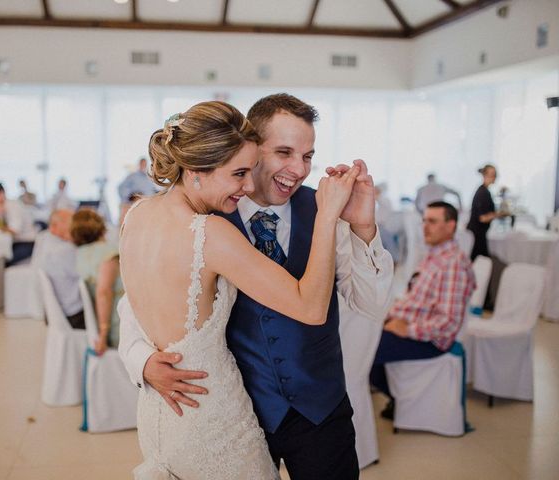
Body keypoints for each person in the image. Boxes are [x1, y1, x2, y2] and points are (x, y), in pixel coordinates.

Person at [119, 95, 394, 479]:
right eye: (284, 152)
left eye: (308, 156)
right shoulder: (205, 214)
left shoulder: (329, 208)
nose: (299, 170)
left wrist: (364, 228)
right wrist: (142, 361)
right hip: (238, 409)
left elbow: (371, 302)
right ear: (249, 148)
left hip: (319, 410)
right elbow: (137, 305)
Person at [370, 201, 476, 419]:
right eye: (424, 221)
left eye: (433, 221)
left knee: (364, 350)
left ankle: (402, 400)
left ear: (450, 225)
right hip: (412, 327)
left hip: (430, 341)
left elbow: (447, 323)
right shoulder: (434, 255)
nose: (425, 227)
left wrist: (407, 329)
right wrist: (390, 315)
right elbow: (415, 299)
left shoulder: (453, 264)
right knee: (362, 337)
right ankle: (398, 398)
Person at [71, 209, 123, 354]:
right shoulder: (108, 253)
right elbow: (103, 293)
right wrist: (103, 333)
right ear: (101, 227)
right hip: (119, 324)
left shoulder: (80, 255)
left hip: (101, 318)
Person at [36, 209, 84, 329]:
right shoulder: (65, 249)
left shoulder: (46, 240)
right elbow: (87, 275)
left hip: (55, 312)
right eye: (72, 222)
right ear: (55, 225)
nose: (76, 226)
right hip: (72, 315)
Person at [0, 183, 37, 265]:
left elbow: (14, 230)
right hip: (14, 241)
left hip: (26, 242)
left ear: (2, 193)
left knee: (3, 262)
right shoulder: (0, 206)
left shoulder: (13, 206)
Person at [467, 164, 503, 260]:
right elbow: (483, 218)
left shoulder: (485, 191)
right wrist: (499, 214)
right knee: (480, 261)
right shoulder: (482, 193)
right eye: (493, 174)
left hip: (480, 233)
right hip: (477, 234)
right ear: (485, 175)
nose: (495, 176)